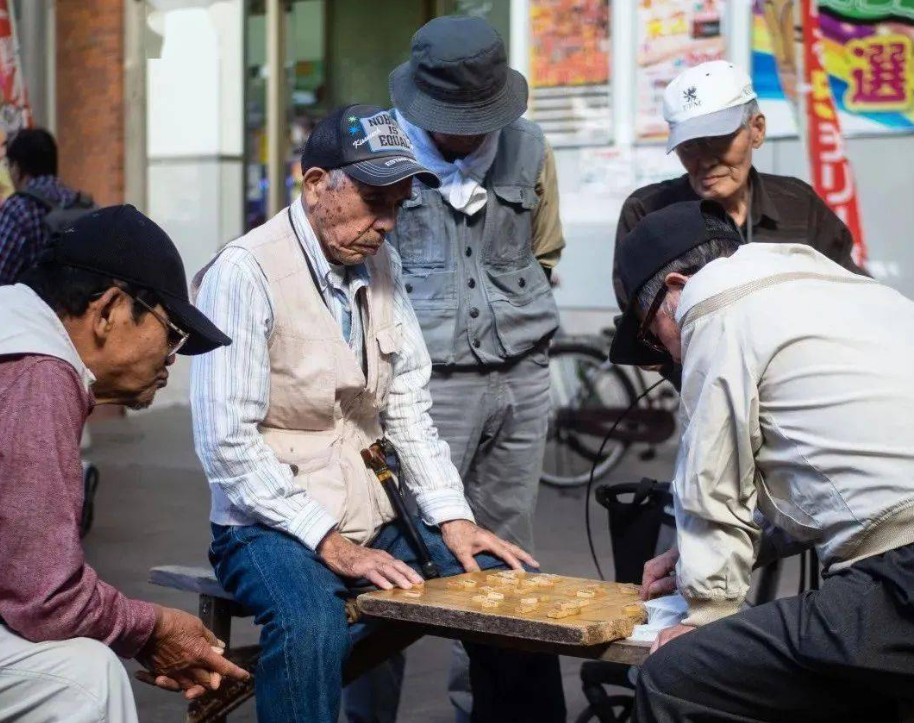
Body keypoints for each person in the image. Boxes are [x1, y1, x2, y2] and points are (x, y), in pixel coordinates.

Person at [191, 104, 566, 723]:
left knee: (511, 593)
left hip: (372, 510)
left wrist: (451, 518)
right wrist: (328, 541)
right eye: (373, 200)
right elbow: (226, 443)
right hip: (266, 525)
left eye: (397, 204)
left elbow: (409, 407)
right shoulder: (245, 272)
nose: (388, 223)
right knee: (310, 628)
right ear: (316, 185)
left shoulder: (377, 262)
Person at [609, 200, 914, 723]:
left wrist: (707, 612)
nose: (667, 357)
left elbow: (712, 481)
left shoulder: (710, 305)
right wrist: (739, 551)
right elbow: (850, 478)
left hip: (901, 582)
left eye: (649, 332)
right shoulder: (848, 288)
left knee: (678, 677)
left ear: (676, 288)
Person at [0, 205, 249, 723]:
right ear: (109, 308)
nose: (171, 359)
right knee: (86, 681)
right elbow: (45, 597)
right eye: (171, 332)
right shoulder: (39, 372)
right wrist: (151, 627)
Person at [383, 17, 564, 720]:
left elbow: (546, 249)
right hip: (426, 386)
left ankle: (487, 712)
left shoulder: (530, 144)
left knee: (509, 552)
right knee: (397, 554)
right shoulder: (385, 149)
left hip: (522, 375)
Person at [613, 60, 863, 311]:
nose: (706, 160)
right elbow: (639, 320)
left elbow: (853, 293)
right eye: (689, 145)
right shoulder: (647, 214)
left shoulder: (799, 205)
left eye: (719, 140)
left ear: (757, 129)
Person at [0, 128, 89, 284]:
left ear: (18, 168)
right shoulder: (81, 203)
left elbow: (3, 273)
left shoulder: (18, 208)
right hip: (79, 305)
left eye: (9, 165)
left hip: (32, 306)